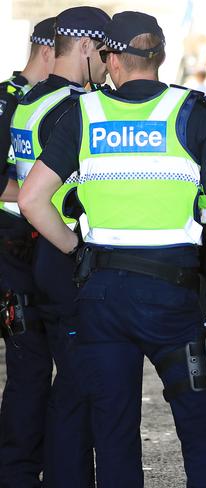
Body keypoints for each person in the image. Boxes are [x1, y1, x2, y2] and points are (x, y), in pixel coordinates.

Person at [18, 11, 206, 487]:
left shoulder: (84, 115)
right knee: (202, 423)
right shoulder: (192, 112)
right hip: (173, 296)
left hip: (101, 297)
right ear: (159, 56)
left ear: (113, 59)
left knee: (113, 429)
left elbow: (30, 199)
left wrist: (73, 248)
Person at [2, 8, 112, 487]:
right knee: (78, 387)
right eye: (106, 53)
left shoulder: (31, 100)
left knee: (36, 378)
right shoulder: (76, 107)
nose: (110, 64)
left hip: (39, 255)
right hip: (65, 255)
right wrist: (78, 249)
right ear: (86, 47)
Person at [0, 17, 55, 488]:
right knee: (30, 368)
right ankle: (17, 473)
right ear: (48, 49)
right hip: (12, 254)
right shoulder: (5, 100)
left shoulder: (67, 102)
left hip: (47, 253)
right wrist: (42, 195)